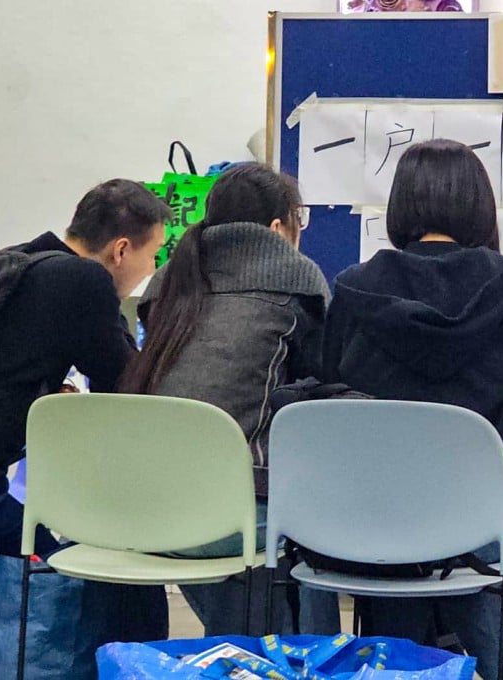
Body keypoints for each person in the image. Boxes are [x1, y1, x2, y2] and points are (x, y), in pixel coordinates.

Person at [320, 138, 503, 680]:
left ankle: (400, 665)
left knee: (408, 556)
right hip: (483, 523)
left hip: (370, 520)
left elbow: (329, 403)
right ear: (478, 203)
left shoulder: (353, 289)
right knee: (452, 555)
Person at [0, 179, 170, 679]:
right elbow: (125, 385)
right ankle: (136, 667)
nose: (152, 268)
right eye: (154, 254)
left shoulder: (17, 262)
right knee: (60, 569)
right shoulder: (83, 281)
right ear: (122, 250)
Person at [118, 162, 337, 636]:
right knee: (320, 523)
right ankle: (305, 655)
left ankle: (241, 648)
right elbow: (320, 397)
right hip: (230, 519)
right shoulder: (297, 280)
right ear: (278, 228)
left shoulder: (167, 282)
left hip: (141, 509)